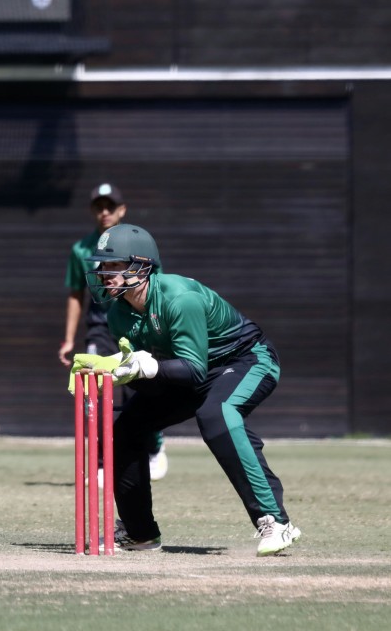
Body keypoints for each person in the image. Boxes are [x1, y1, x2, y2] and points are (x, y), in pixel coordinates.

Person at [82, 223, 301, 556]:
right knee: (127, 429)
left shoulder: (179, 298)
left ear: (141, 265)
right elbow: (161, 374)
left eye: (114, 265)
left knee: (217, 414)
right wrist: (111, 371)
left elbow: (193, 369)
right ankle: (140, 534)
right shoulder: (118, 316)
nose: (104, 273)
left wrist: (147, 367)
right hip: (189, 371)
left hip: (246, 359)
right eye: (102, 265)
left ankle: (276, 522)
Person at [59, 183, 168, 482]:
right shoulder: (81, 249)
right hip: (100, 327)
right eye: (99, 207)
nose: (104, 212)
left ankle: (154, 447)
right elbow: (75, 295)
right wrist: (69, 339)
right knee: (94, 386)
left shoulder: (138, 244)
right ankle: (101, 460)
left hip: (134, 325)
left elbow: (155, 288)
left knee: (140, 387)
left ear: (122, 210)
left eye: (110, 206)